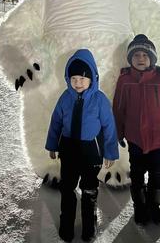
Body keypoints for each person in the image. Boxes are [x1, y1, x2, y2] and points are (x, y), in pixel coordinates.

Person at [45, 49, 119, 242]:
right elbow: (56, 122)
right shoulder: (65, 98)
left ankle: (89, 224)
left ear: (92, 78)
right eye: (74, 78)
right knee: (67, 189)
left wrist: (110, 152)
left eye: (82, 78)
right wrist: (52, 144)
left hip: (91, 154)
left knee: (89, 189)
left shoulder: (100, 100)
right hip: (68, 152)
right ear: (68, 79)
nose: (78, 83)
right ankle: (66, 224)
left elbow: (109, 127)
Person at [113, 34, 160, 226]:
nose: (141, 58)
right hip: (135, 140)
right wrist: (119, 133)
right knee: (136, 175)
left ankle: (155, 204)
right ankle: (140, 205)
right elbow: (118, 110)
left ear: (152, 58)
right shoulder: (125, 80)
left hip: (159, 141)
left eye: (145, 54)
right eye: (136, 55)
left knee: (156, 174)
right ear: (130, 59)